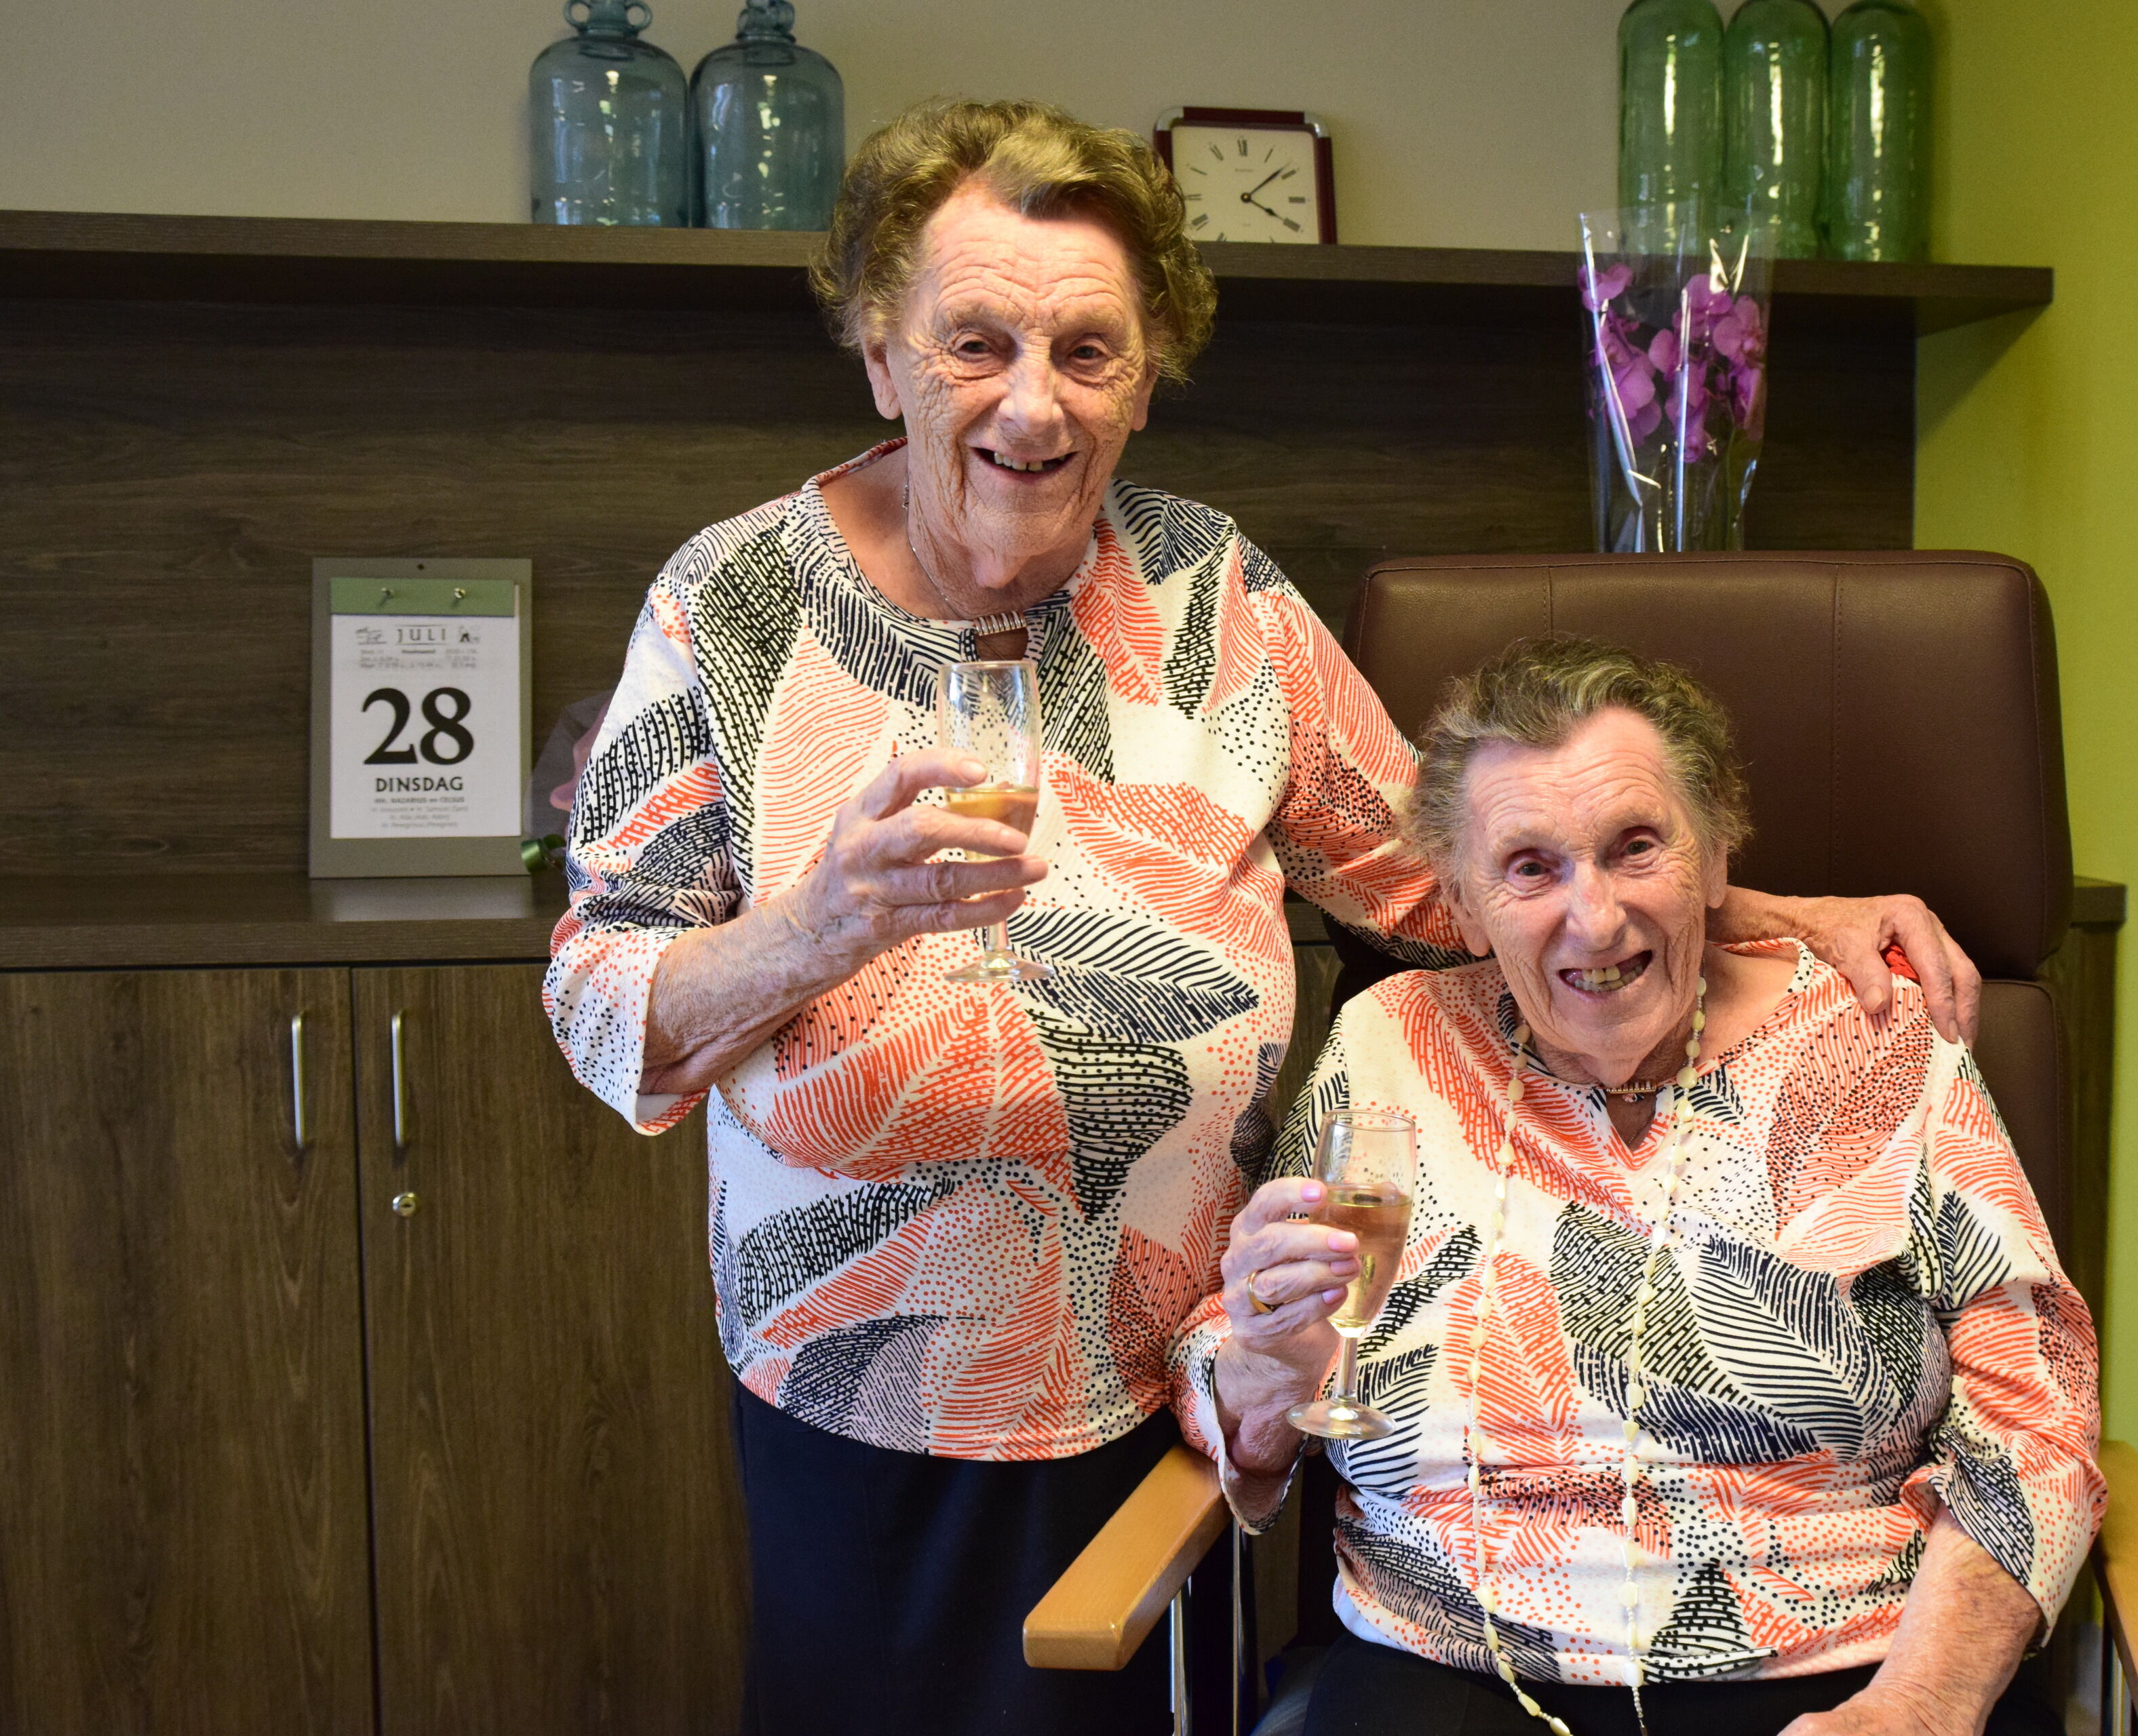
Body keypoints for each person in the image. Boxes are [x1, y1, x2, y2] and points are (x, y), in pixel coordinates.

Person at [545, 98, 1985, 1735]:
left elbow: (1454, 874)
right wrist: (821, 925)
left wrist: (1742, 900)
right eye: (976, 342)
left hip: (1198, 1392)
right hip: (868, 1397)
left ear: (1147, 379)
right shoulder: (729, 604)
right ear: (882, 354)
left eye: (1090, 350)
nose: (1035, 400)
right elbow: (598, 994)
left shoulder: (1213, 592)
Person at [1179, 637, 2102, 1736]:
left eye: (1636, 848)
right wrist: (1263, 1367)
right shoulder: (1389, 1043)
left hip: (1843, 1671)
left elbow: (2037, 1406)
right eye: (1530, 868)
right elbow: (1241, 1350)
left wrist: (1923, 1702)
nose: (1597, 919)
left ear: (1716, 862)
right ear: (1463, 906)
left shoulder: (1876, 1034)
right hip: (1442, 1667)